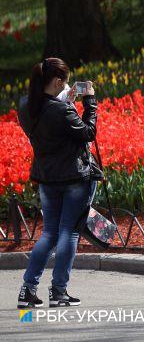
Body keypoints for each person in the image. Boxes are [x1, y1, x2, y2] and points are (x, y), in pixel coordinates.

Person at [16, 57, 99, 308]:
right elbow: (88, 133)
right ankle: (59, 290)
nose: (68, 85)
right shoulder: (61, 111)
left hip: (46, 177)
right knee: (69, 233)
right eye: (65, 81)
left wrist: (65, 100)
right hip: (74, 177)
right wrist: (90, 103)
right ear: (56, 81)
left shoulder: (25, 106)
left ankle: (28, 290)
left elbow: (50, 125)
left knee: (49, 234)